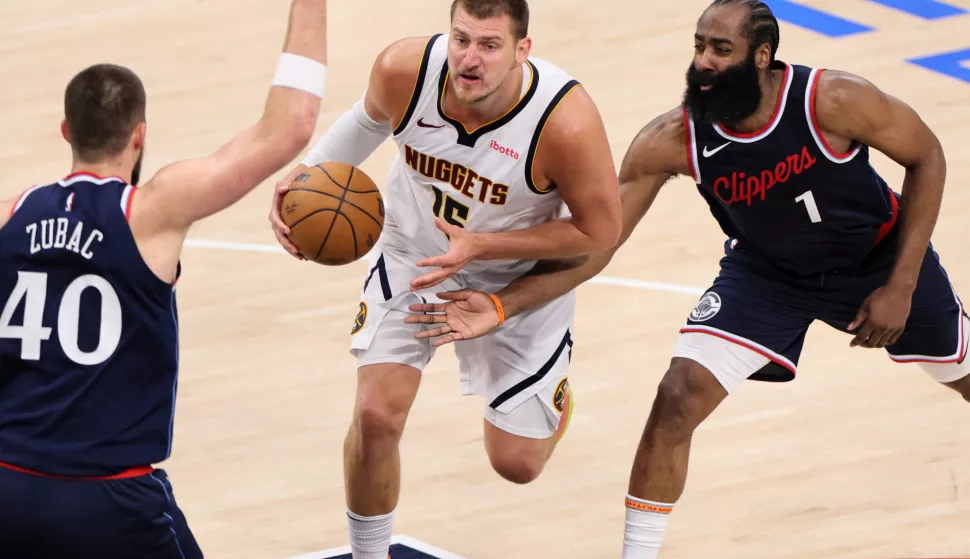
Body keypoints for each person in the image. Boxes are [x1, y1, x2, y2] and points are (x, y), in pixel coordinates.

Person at [404, 0, 970, 557]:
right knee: (676, 396)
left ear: (763, 56)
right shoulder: (672, 140)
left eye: (721, 50)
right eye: (699, 46)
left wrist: (901, 286)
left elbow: (929, 157)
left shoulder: (833, 99)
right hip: (767, 274)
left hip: (878, 260)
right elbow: (597, 244)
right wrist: (502, 306)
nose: (703, 61)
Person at [267, 0, 622, 557]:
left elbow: (600, 233)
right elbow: (363, 124)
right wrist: (300, 186)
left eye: (489, 45)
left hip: (515, 275)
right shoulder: (404, 71)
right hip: (416, 255)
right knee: (375, 414)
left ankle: (554, 400)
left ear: (522, 51)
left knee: (517, 464)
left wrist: (485, 245)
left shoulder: (565, 122)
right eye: (461, 39)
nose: (469, 59)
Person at [0, 1, 328, 556]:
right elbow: (291, 124)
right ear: (139, 134)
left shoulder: (10, 215)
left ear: (65, 131)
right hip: (109, 495)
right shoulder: (150, 210)